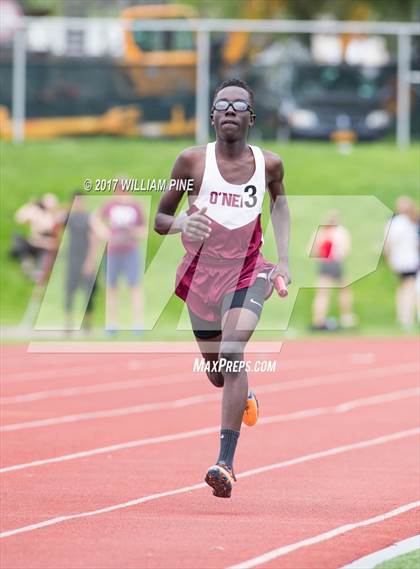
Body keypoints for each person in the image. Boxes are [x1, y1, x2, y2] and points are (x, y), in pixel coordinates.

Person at [154, 78, 291, 498]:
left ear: (251, 117)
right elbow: (160, 219)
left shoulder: (269, 164)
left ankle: (224, 464)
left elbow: (280, 202)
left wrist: (283, 260)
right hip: (201, 277)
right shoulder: (191, 162)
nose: (229, 110)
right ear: (212, 115)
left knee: (233, 352)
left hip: (248, 271)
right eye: (222, 104)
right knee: (219, 373)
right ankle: (243, 390)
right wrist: (182, 222)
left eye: (238, 105)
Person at [97, 180, 146, 334]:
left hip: (130, 250)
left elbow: (144, 230)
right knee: (112, 287)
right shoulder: (110, 205)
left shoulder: (135, 206)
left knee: (134, 286)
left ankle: (138, 323)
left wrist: (132, 231)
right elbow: (95, 219)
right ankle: (112, 324)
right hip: (113, 251)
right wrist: (104, 233)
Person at [310, 211, 356, 331]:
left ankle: (318, 320)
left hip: (324, 264)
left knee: (322, 293)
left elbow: (312, 250)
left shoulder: (320, 233)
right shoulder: (341, 232)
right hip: (335, 263)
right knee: (344, 290)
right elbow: (345, 250)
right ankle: (346, 318)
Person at [64, 191, 99, 334]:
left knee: (88, 293)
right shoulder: (69, 217)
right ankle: (68, 323)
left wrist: (90, 261)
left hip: (86, 259)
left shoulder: (89, 218)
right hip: (72, 259)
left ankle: (87, 324)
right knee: (70, 291)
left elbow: (94, 240)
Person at [384, 196, 419, 329]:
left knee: (403, 287)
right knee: (409, 288)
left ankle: (402, 316)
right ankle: (407, 318)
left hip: (398, 260)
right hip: (408, 260)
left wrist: (389, 258)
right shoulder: (406, 222)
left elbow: (388, 243)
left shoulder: (393, 222)